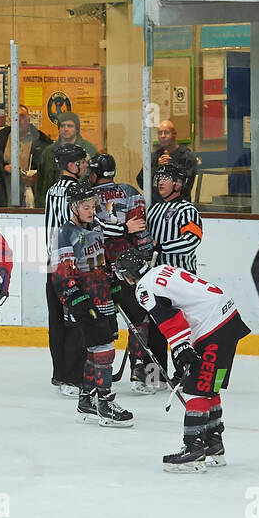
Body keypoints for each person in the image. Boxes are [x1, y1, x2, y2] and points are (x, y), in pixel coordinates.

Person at [115, 251, 249, 472]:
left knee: (196, 389)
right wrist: (182, 350)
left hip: (213, 325)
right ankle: (213, 442)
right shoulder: (162, 270)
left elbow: (170, 319)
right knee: (208, 386)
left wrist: (181, 348)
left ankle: (193, 449)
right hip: (228, 318)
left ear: (128, 276)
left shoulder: (143, 288)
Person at [52, 183, 133, 428]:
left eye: (92, 206)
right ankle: (105, 403)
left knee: (96, 350)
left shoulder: (96, 226)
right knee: (104, 349)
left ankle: (86, 400)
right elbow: (62, 273)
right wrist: (76, 299)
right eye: (85, 207)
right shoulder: (64, 232)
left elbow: (101, 261)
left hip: (102, 295)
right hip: (85, 299)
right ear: (73, 207)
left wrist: (113, 285)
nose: (91, 210)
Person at [88, 153, 160, 393]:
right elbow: (140, 233)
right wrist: (147, 255)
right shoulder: (130, 192)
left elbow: (87, 230)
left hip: (96, 268)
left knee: (95, 322)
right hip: (127, 267)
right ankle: (142, 373)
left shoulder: (87, 196)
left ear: (94, 173)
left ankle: (90, 379)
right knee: (140, 319)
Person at [144, 162, 203, 377]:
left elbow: (192, 241)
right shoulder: (153, 210)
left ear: (178, 183)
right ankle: (155, 376)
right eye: (159, 177)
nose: (160, 181)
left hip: (182, 280)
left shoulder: (187, 210)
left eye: (166, 177)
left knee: (183, 328)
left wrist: (161, 247)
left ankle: (185, 372)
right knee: (157, 328)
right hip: (156, 281)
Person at [44, 141, 90, 395]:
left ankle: (59, 374)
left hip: (51, 263)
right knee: (77, 319)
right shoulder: (79, 192)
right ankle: (73, 378)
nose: (85, 164)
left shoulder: (52, 190)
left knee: (57, 321)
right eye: (82, 161)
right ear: (72, 165)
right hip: (72, 264)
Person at [0, 106, 52, 207]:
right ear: (10, 121)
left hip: (33, 202)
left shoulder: (41, 141)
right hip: (5, 201)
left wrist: (36, 179)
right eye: (14, 116)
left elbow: (51, 173)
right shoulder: (2, 140)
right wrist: (4, 168)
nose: (17, 120)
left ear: (28, 119)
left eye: (21, 116)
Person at [34, 113, 97, 202]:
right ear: (59, 129)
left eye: (70, 126)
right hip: (53, 203)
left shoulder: (89, 150)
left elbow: (96, 180)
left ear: (77, 129)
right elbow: (40, 185)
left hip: (82, 205)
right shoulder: (48, 152)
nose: (66, 129)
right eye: (62, 126)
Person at [135, 120, 198, 196]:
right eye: (160, 133)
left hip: (179, 204)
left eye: (166, 132)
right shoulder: (153, 157)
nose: (163, 136)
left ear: (174, 134)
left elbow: (186, 185)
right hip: (157, 204)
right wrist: (157, 167)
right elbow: (141, 183)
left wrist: (172, 166)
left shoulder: (187, 156)